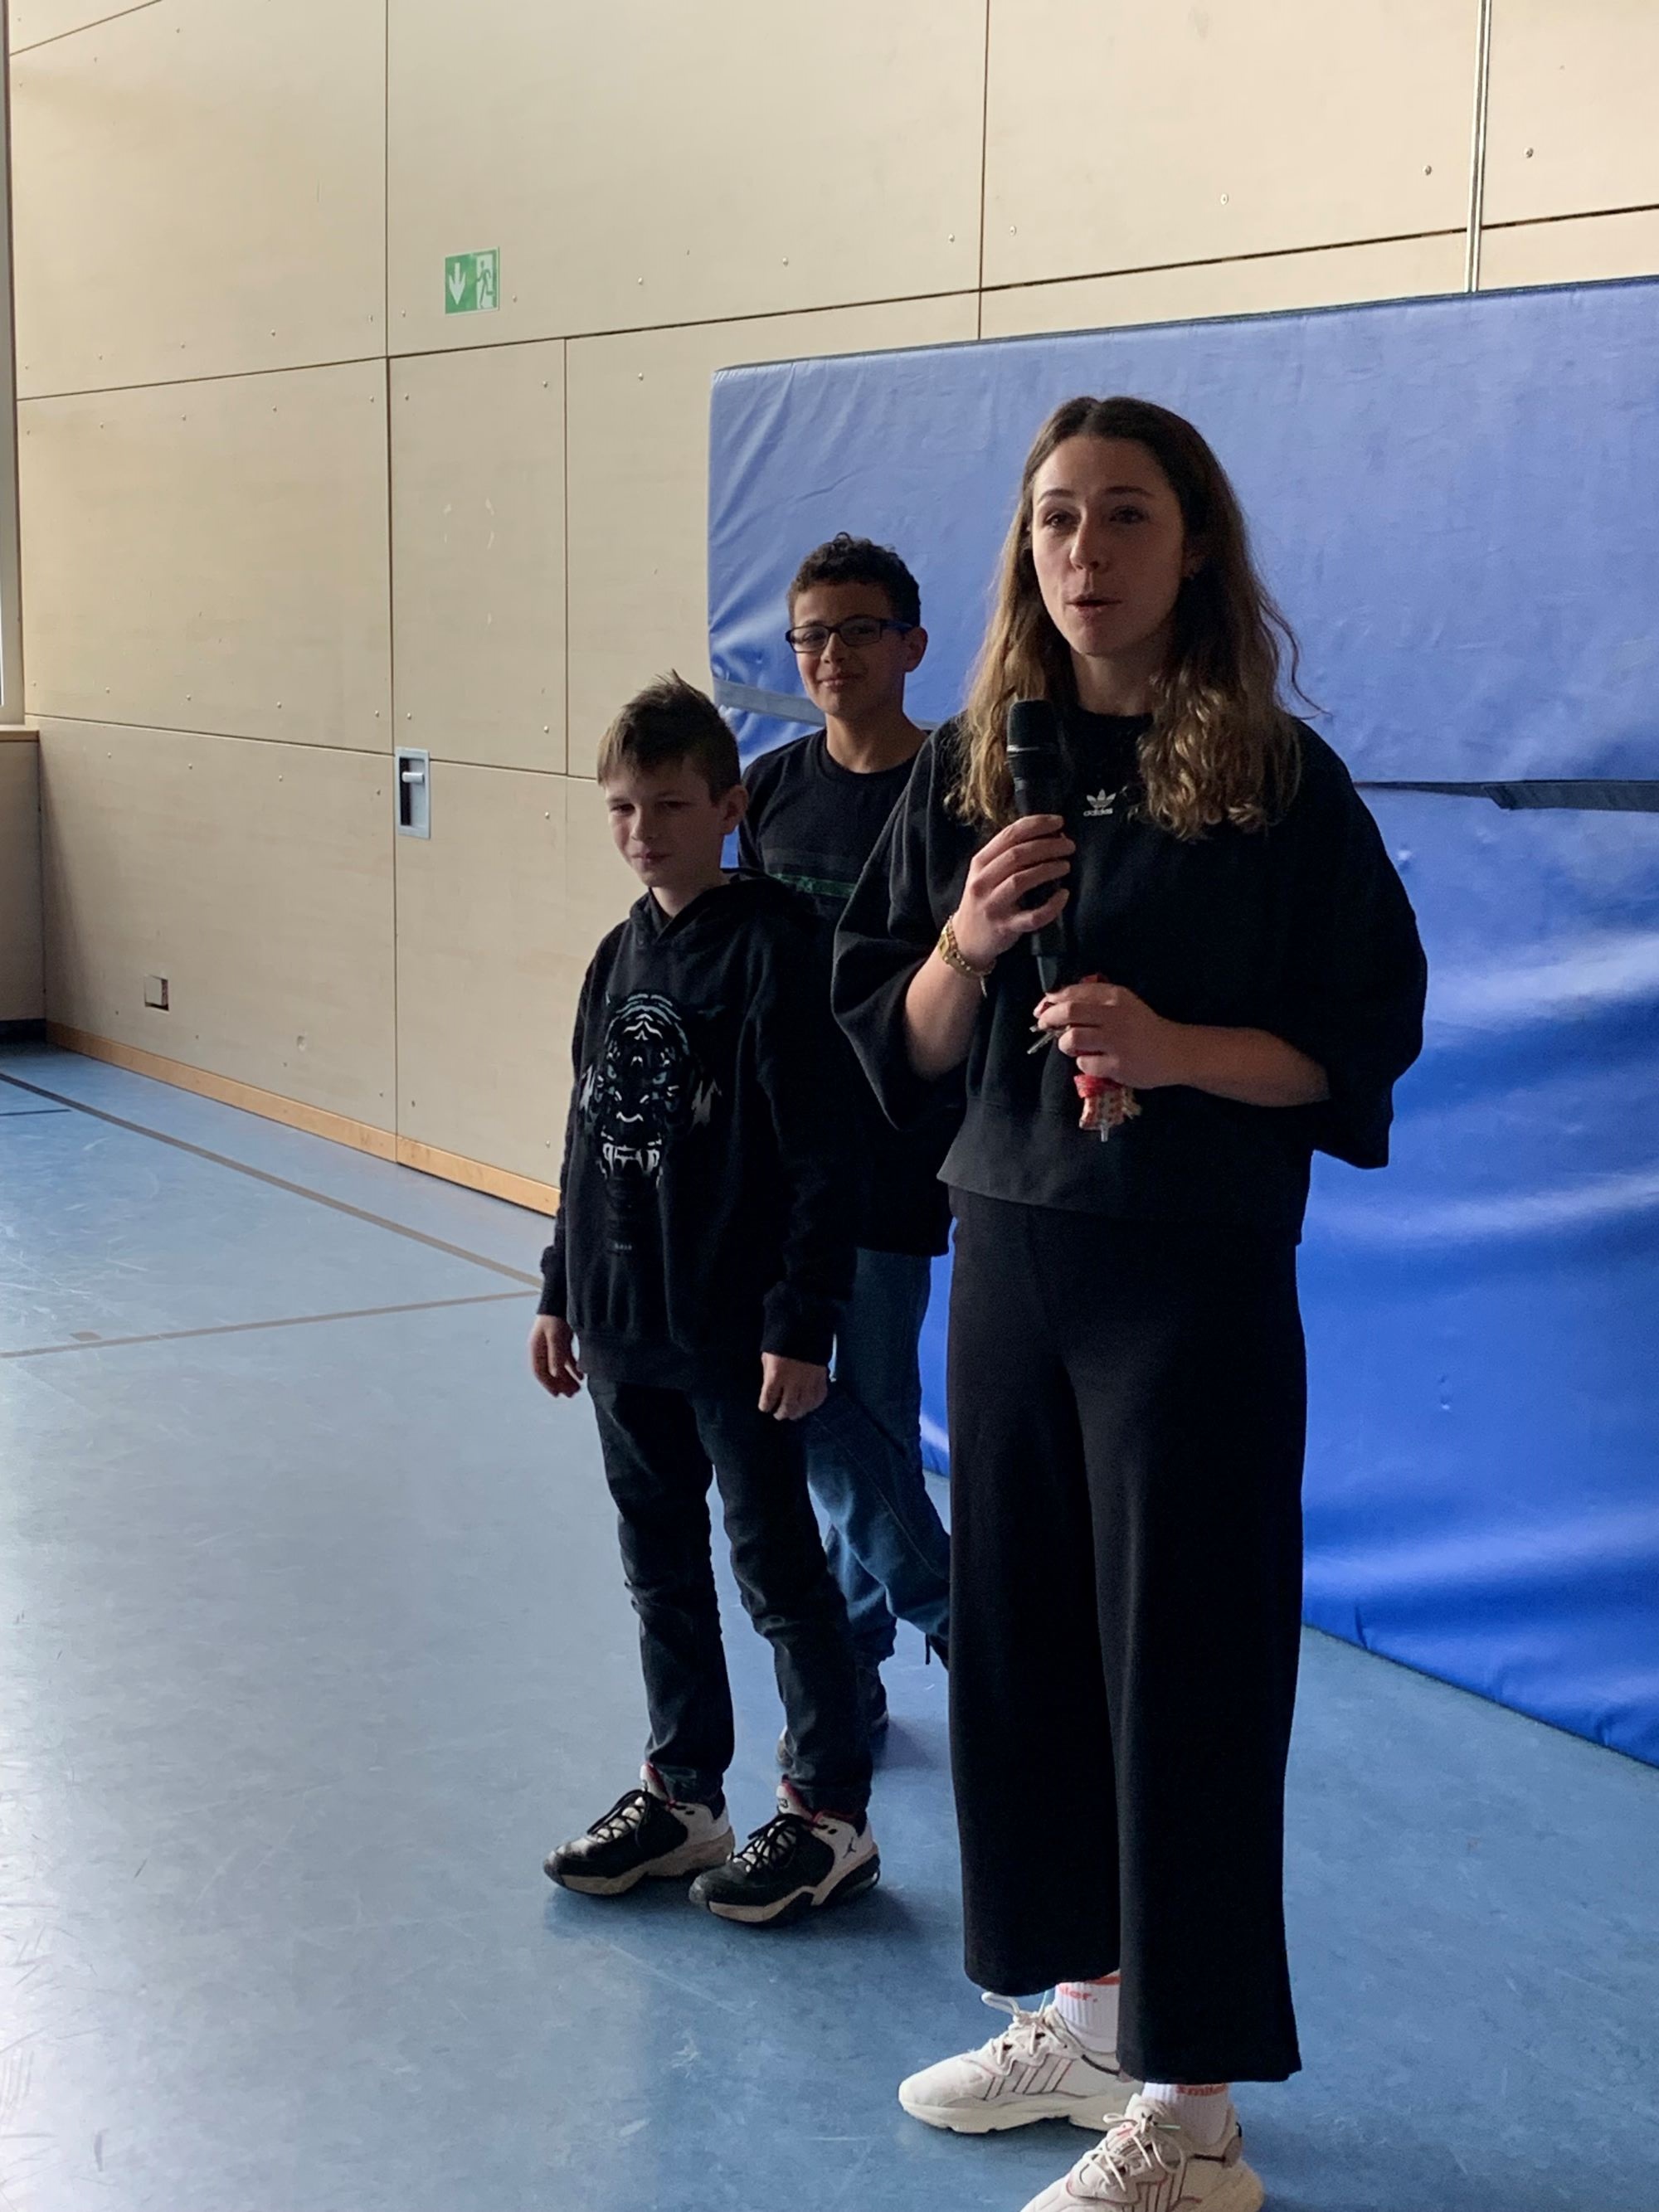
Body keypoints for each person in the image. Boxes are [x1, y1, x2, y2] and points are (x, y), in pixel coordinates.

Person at [834, 397, 1426, 2210]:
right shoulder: (970, 772)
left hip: (1188, 1277)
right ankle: (1084, 2017)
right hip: (1011, 1254)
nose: (1085, 553)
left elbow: (1354, 1043)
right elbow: (892, 1039)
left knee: (1186, 1670)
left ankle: (1196, 2112)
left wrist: (1172, 1048)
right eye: (1056, 519)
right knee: (1025, 1657)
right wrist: (963, 941)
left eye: (1125, 516)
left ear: (1196, 544)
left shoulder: (1274, 781)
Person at [532, 673, 878, 1926]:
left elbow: (820, 1160)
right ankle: (684, 1795)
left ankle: (829, 1814)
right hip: (625, 1326)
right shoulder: (616, 954)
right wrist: (561, 1287)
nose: (644, 831)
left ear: (730, 808)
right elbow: (586, 1137)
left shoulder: (778, 950)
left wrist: (801, 1319)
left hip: (736, 1335)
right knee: (660, 1569)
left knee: (779, 1571)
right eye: (624, 808)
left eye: (672, 805)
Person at [740, 534, 953, 1737]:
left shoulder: (955, 793)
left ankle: (867, 1658)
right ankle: (912, 1634)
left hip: (890, 1157)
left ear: (911, 645)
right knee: (799, 1402)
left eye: (858, 631)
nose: (831, 655)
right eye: (811, 635)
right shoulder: (770, 790)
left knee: (867, 1412)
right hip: (779, 1160)